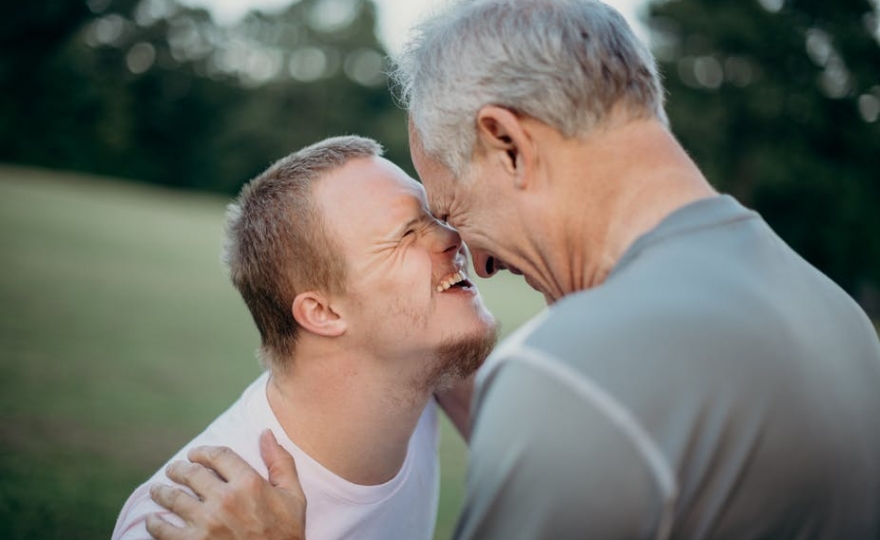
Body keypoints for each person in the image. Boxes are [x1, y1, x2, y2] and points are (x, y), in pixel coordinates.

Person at [149, 0, 880, 538]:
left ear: (506, 145)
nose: (481, 260)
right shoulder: (835, 315)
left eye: (452, 209)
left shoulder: (579, 377)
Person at [114, 135, 497, 540]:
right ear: (324, 312)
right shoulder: (192, 521)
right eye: (406, 234)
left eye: (435, 216)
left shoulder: (423, 368)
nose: (451, 236)